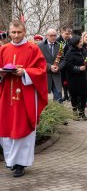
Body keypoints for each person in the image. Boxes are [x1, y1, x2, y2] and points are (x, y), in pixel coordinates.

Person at [0, 20, 48, 177]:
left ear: (24, 32)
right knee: (6, 126)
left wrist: (25, 72)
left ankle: (21, 163)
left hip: (25, 95)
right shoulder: (3, 49)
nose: (15, 35)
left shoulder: (33, 49)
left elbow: (41, 70)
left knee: (24, 126)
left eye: (19, 32)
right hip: (7, 94)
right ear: (9, 32)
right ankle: (11, 161)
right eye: (13, 32)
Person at [64, 35, 87, 121]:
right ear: (75, 43)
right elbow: (68, 65)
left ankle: (82, 112)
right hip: (73, 78)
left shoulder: (83, 51)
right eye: (79, 42)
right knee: (74, 95)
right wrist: (78, 68)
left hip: (83, 77)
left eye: (81, 42)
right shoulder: (69, 52)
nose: (81, 43)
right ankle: (75, 112)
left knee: (84, 95)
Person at [38, 29, 63, 103]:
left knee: (58, 99)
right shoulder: (40, 46)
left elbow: (63, 59)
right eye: (51, 35)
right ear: (47, 36)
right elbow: (38, 61)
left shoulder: (59, 46)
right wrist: (49, 67)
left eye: (55, 35)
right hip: (45, 76)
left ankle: (58, 114)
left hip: (56, 75)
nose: (53, 37)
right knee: (43, 100)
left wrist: (58, 67)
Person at [56, 26, 72, 102]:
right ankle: (65, 94)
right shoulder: (58, 41)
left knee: (69, 79)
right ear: (62, 32)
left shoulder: (69, 40)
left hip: (69, 63)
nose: (68, 35)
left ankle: (70, 95)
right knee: (64, 80)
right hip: (62, 63)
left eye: (69, 34)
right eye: (66, 34)